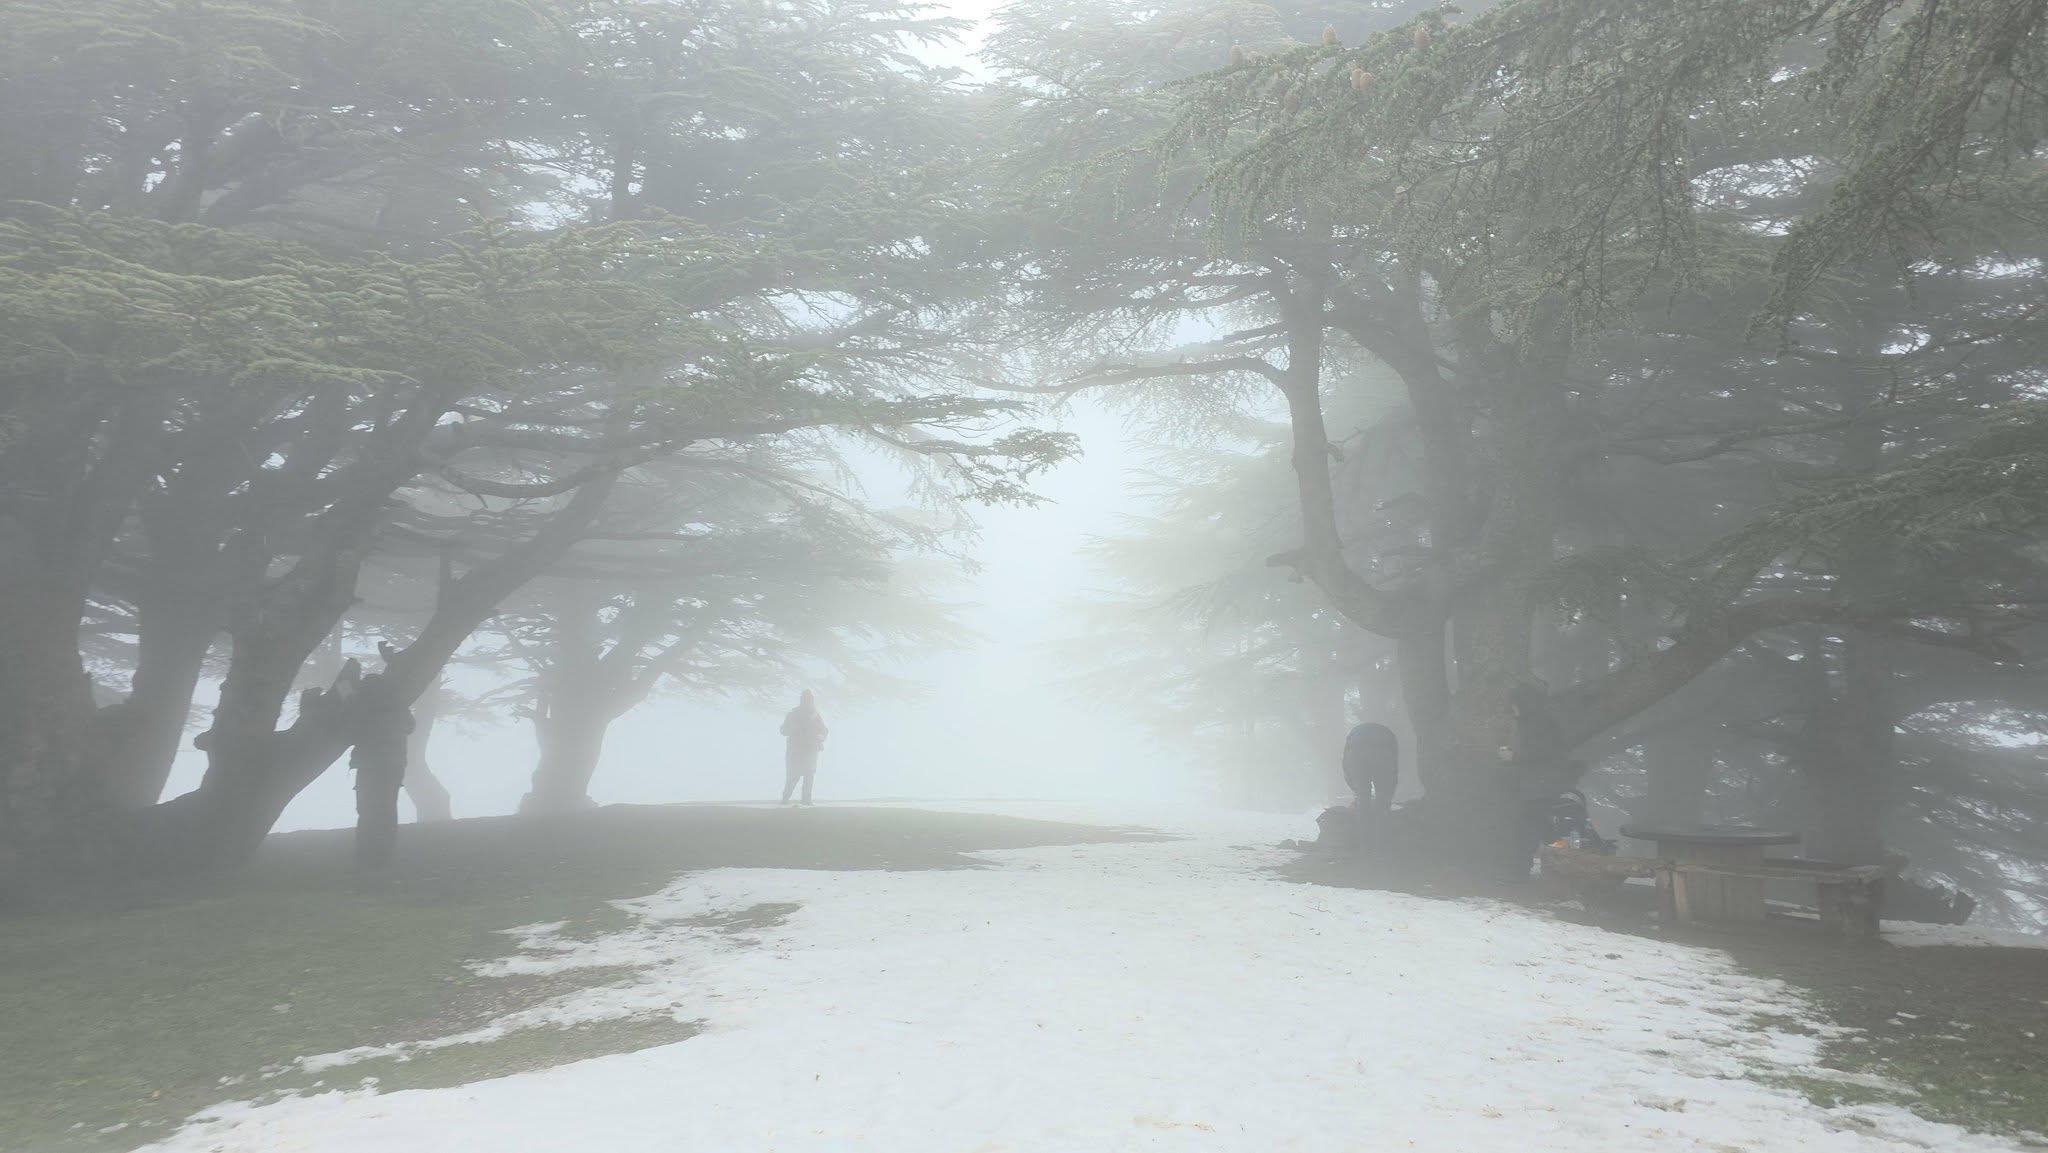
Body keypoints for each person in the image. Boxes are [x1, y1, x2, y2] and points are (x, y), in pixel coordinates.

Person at [1341, 722, 1399, 831]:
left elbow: (1346, 767)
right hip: (1384, 748)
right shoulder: (1387, 734)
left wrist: (1357, 790)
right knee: (1383, 801)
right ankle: (1382, 834)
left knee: (1362, 799)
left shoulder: (1353, 736)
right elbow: (1393, 771)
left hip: (1356, 749)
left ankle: (1364, 837)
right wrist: (1387, 797)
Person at [779, 689, 828, 806]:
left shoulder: (815, 715)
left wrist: (821, 736)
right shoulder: (793, 714)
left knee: (808, 774)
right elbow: (783, 730)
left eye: (810, 699)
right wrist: (792, 729)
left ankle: (805, 799)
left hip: (810, 749)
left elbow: (824, 730)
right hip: (797, 749)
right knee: (794, 774)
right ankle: (786, 798)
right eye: (807, 699)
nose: (809, 701)